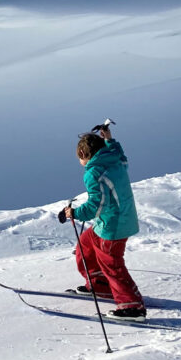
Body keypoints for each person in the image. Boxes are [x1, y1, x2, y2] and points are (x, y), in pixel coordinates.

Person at [58, 125, 146, 321]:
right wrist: (109, 139)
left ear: (82, 153)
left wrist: (75, 213)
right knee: (86, 243)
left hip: (112, 226)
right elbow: (119, 153)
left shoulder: (93, 172)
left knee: (112, 264)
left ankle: (132, 307)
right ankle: (100, 284)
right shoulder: (115, 160)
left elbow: (96, 205)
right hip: (116, 220)